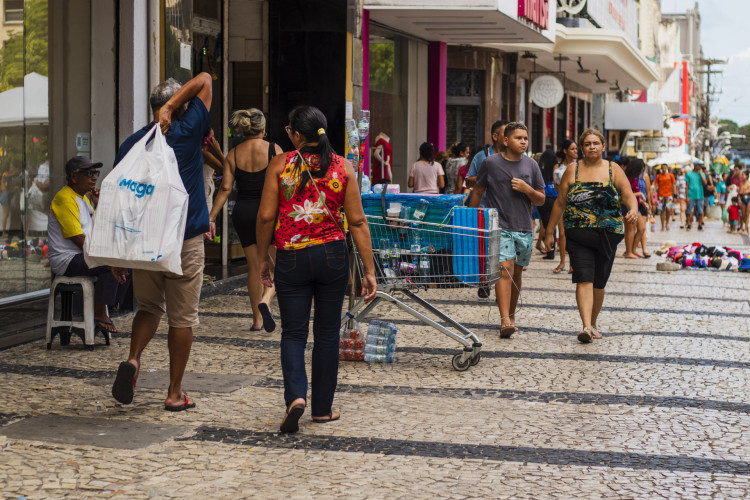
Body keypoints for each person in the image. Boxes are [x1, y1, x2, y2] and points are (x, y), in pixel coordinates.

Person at [256, 105, 377, 433]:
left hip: (292, 257)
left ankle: (296, 396)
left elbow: (266, 216)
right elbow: (358, 221)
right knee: (326, 334)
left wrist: (263, 259)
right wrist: (369, 270)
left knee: (293, 333)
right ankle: (322, 409)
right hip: (332, 257)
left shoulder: (280, 165)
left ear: (296, 135)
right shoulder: (343, 167)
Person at [110, 72, 213, 412]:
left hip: (145, 242)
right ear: (179, 108)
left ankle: (134, 359)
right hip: (184, 241)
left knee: (149, 308)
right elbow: (206, 79)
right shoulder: (187, 131)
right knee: (182, 319)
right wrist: (175, 105)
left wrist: (119, 255)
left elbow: (121, 199)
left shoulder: (133, 143)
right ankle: (174, 392)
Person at [542, 128, 638, 343]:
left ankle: (593, 322)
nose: (592, 147)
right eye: (587, 144)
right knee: (584, 277)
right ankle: (585, 326)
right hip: (578, 234)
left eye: (596, 143)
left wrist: (632, 209)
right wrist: (549, 233)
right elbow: (560, 203)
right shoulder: (572, 171)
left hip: (608, 235)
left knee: (599, 282)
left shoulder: (613, 170)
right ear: (582, 148)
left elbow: (628, 195)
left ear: (603, 146)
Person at [468, 122, 545, 338]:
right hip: (499, 226)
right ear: (505, 140)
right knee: (505, 270)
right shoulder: (490, 163)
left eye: (525, 138)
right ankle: (504, 321)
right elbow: (477, 190)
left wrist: (527, 189)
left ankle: (511, 315)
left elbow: (541, 199)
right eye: (518, 138)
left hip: (524, 227)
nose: (523, 142)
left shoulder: (531, 165)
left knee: (517, 274)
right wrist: (470, 219)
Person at [210, 108, 282, 332]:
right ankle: (266, 301)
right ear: (263, 129)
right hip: (269, 213)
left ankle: (257, 321)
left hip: (243, 212)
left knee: (253, 267)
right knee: (275, 265)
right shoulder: (274, 150)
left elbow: (225, 188)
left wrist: (211, 217)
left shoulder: (233, 154)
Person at [47, 156, 130, 333]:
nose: (94, 178)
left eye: (95, 173)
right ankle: (99, 312)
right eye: (89, 173)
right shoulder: (64, 198)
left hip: (82, 254)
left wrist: (99, 206)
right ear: (74, 177)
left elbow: (99, 232)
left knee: (128, 259)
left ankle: (110, 304)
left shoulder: (84, 199)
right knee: (109, 264)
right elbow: (79, 240)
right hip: (67, 259)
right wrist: (105, 255)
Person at [465, 120, 509, 206]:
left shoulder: (516, 157)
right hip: (485, 210)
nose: (509, 137)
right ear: (495, 136)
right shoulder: (481, 156)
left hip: (509, 211)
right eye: (506, 134)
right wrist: (487, 178)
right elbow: (468, 182)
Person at [552, 140, 577, 274]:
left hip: (576, 203)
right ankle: (562, 262)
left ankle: (573, 264)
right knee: (562, 233)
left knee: (573, 233)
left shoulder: (580, 165)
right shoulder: (558, 166)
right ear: (565, 151)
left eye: (576, 149)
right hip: (562, 201)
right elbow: (555, 185)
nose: (575, 151)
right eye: (572, 149)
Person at [535, 149, 559, 262]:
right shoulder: (555, 171)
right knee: (552, 225)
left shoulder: (540, 171)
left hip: (543, 200)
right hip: (554, 199)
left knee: (546, 224)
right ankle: (551, 250)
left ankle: (550, 250)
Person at [653, 164, 676, 231]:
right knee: (662, 211)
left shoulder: (671, 175)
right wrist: (654, 195)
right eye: (662, 167)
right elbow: (655, 185)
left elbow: (674, 185)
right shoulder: (658, 176)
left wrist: (675, 195)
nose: (664, 169)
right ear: (661, 168)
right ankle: (662, 225)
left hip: (669, 195)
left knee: (668, 209)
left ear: (667, 168)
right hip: (660, 196)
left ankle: (667, 223)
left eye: (665, 167)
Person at [685, 163, 707, 231]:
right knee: (688, 211)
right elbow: (687, 186)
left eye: (700, 166)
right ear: (694, 165)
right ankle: (688, 224)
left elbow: (705, 183)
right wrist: (687, 197)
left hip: (700, 195)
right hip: (691, 195)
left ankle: (700, 224)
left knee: (700, 211)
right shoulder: (689, 174)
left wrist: (700, 174)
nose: (699, 167)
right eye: (698, 165)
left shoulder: (702, 173)